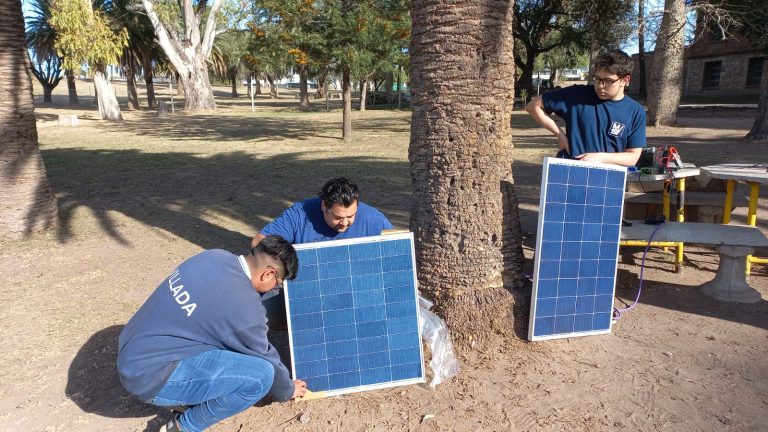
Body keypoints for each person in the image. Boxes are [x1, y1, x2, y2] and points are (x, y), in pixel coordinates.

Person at [117, 236, 307, 432]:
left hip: (130, 352)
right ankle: (183, 427)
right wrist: (288, 389)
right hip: (149, 379)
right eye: (277, 284)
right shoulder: (246, 308)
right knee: (262, 377)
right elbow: (265, 356)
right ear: (268, 274)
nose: (274, 288)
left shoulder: (214, 256)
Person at [250, 177, 394, 329]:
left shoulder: (373, 219)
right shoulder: (300, 213)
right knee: (261, 315)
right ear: (324, 206)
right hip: (305, 291)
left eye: (350, 216)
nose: (345, 223)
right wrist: (286, 269)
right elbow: (259, 241)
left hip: (356, 292)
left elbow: (396, 250)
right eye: (338, 217)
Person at [526, 50, 646, 167]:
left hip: (608, 176)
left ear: (625, 80)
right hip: (570, 170)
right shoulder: (576, 94)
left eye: (608, 81)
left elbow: (632, 157)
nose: (600, 86)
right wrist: (560, 134)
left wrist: (600, 158)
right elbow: (533, 106)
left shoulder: (635, 111)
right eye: (597, 79)